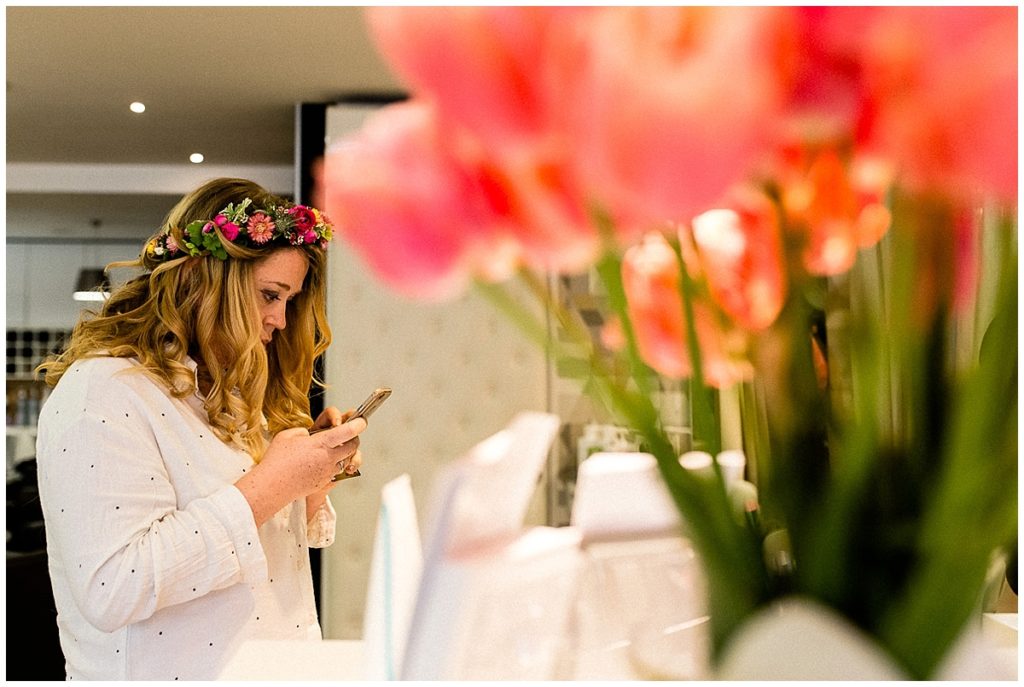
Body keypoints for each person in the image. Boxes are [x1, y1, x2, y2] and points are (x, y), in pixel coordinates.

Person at [34, 178, 367, 680]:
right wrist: (272, 485)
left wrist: (309, 483)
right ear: (201, 277)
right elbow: (112, 587)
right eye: (269, 295)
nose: (279, 319)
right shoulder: (102, 391)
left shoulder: (229, 392)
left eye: (290, 301)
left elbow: (256, 557)